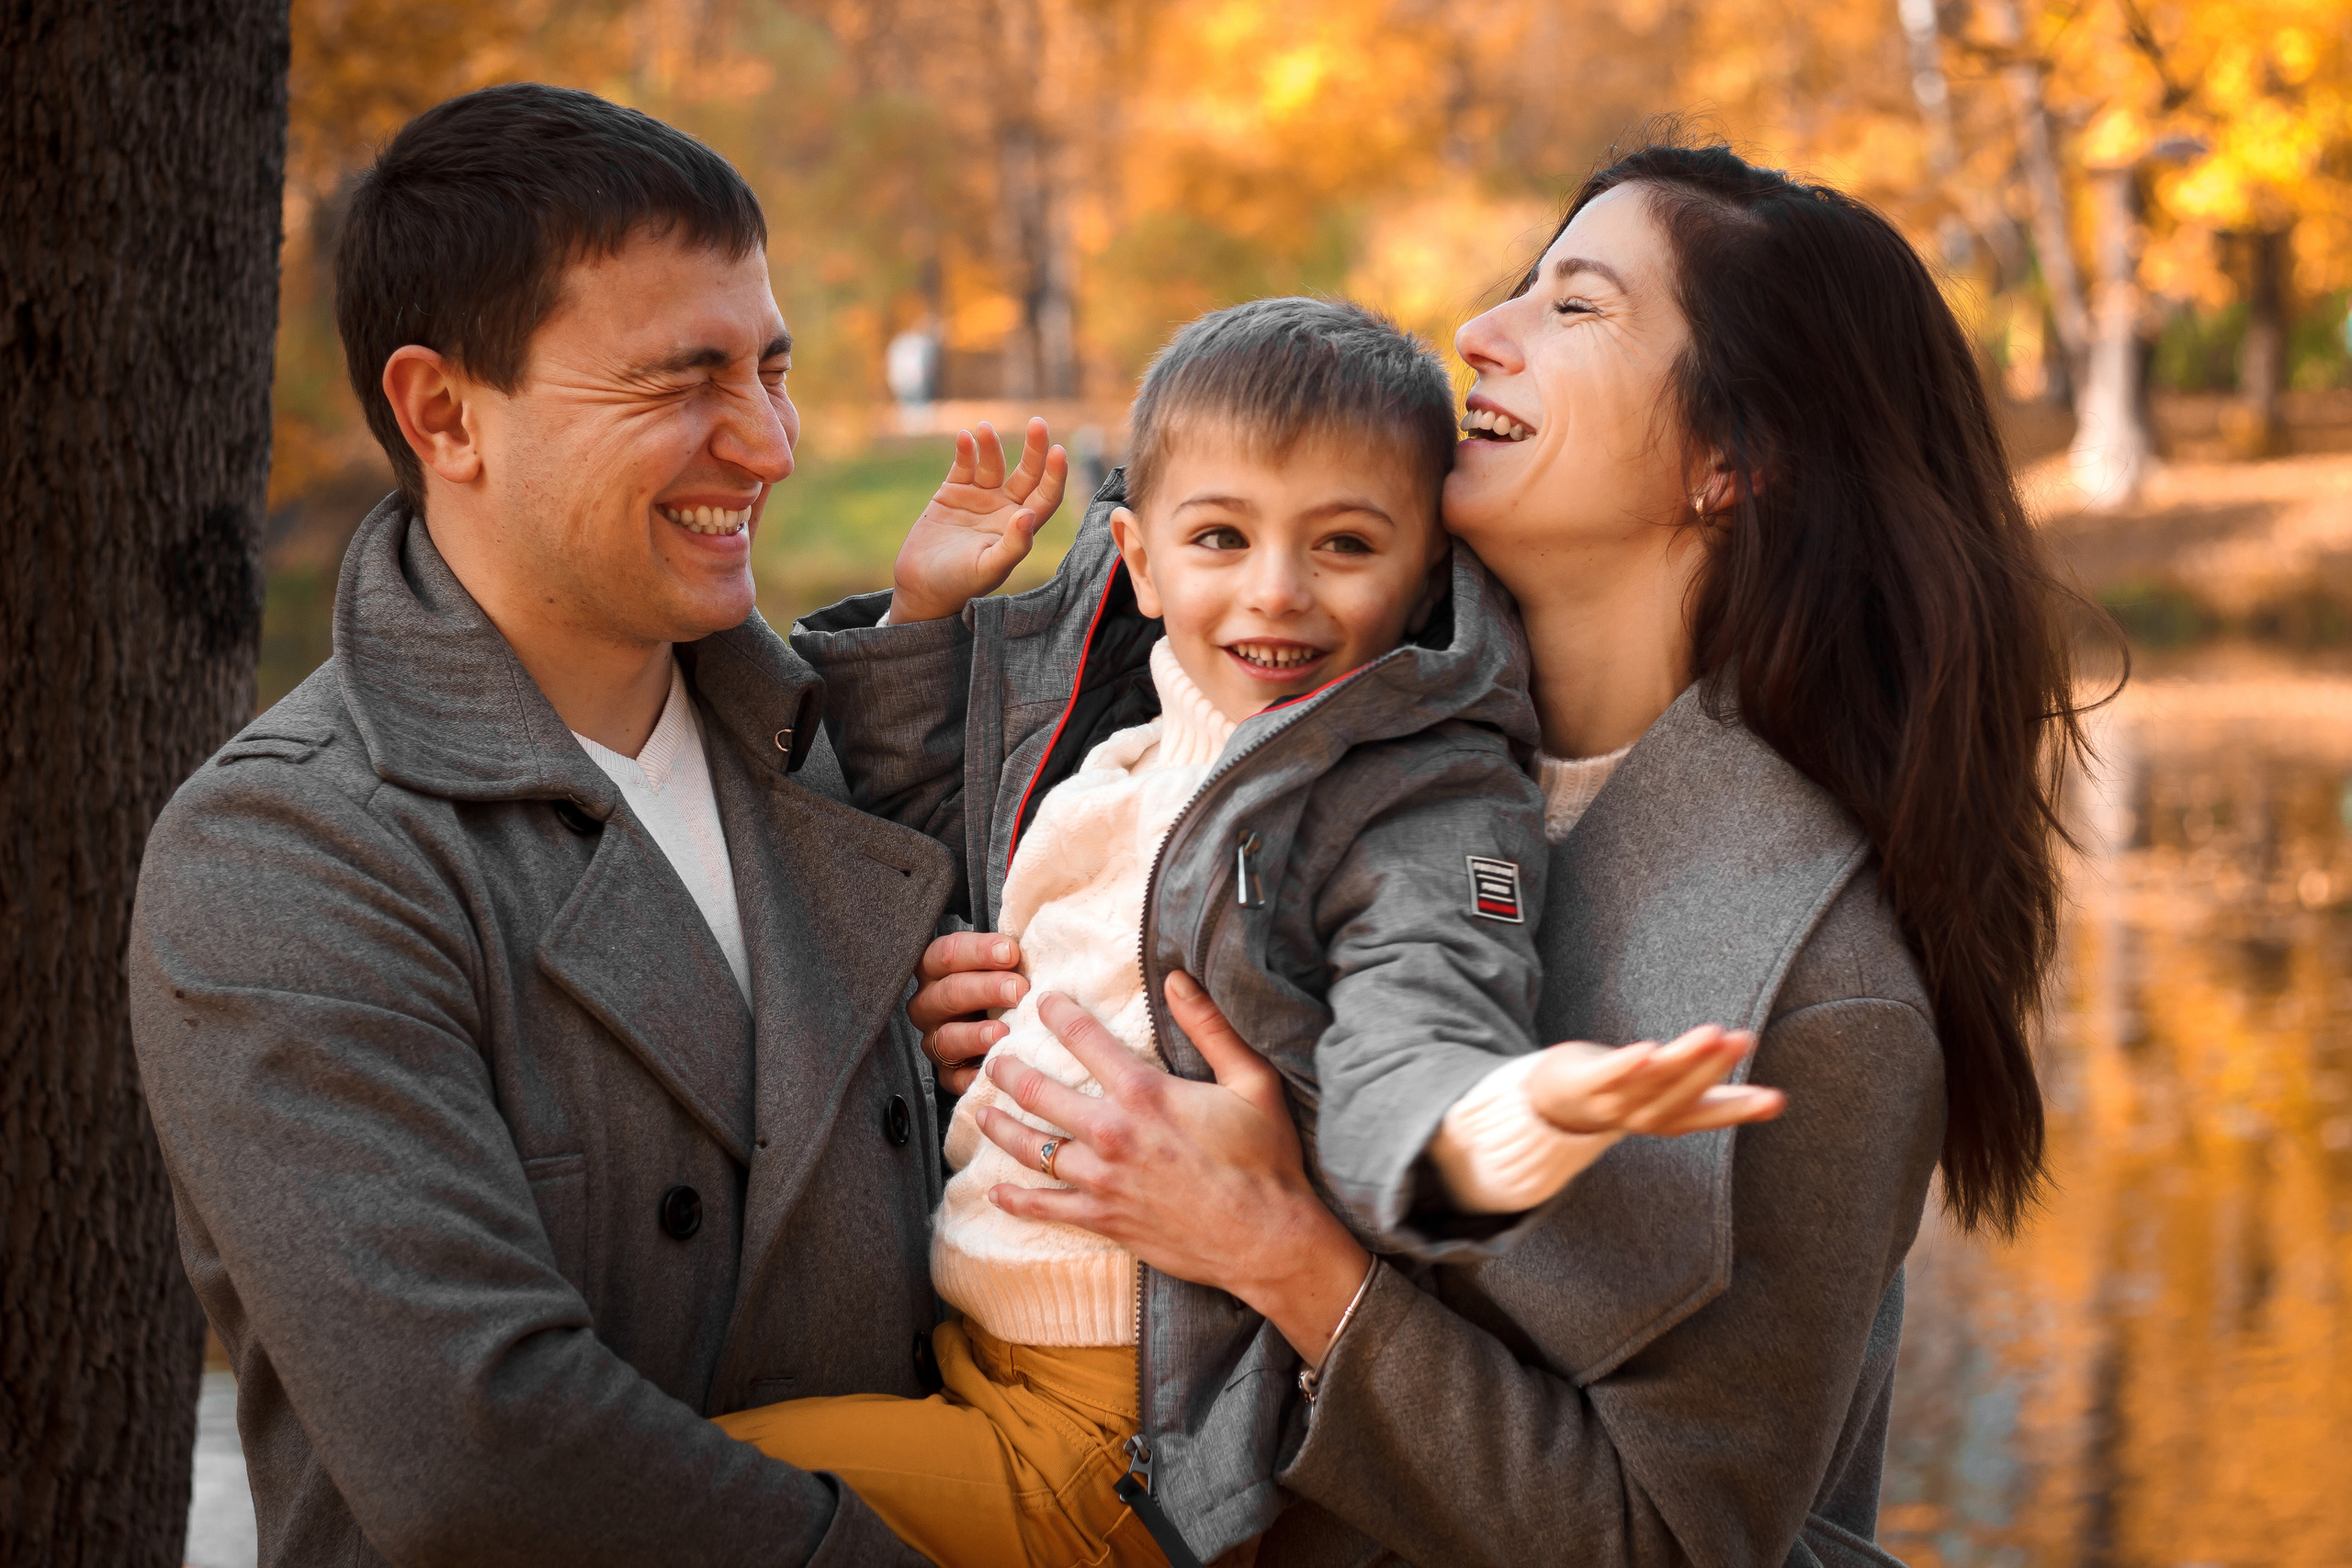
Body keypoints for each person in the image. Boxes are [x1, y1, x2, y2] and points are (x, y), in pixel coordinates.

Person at [907, 139, 2091, 1565]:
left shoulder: (1820, 985)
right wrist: (985, 990)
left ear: (1731, 460)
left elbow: (1668, 1541)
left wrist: (1283, 1255)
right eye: (1522, 286)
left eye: (1575, 305)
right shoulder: (1316, 675)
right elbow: (1006, 810)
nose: (1479, 331)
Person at [721, 299, 1781, 1568]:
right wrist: (921, 613)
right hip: (965, 1350)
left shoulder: (1406, 797)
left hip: (1116, 1436)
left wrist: (1488, 1129)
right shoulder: (1123, 747)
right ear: (1139, 558)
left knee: (667, 1493)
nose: (1276, 590)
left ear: (1424, 570)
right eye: (1222, 537)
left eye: (1345, 544)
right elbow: (932, 839)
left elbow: (1424, 1007)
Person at [128, 85, 960, 1566]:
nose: (768, 445)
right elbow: (482, 1451)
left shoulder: (849, 757)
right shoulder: (287, 851)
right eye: (681, 382)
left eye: (770, 369)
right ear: (445, 415)